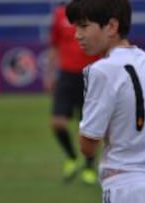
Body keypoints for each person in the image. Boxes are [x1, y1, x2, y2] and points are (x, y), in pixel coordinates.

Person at [65, 0, 145, 202]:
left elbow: (88, 146)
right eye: (76, 26)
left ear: (111, 26)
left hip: (124, 186)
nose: (77, 34)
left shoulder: (102, 70)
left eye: (84, 26)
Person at [44, 1, 100, 184]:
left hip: (91, 75)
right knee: (57, 122)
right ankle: (71, 157)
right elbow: (54, 45)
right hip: (67, 76)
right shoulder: (60, 14)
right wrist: (50, 73)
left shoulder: (95, 11)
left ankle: (89, 166)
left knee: (88, 128)